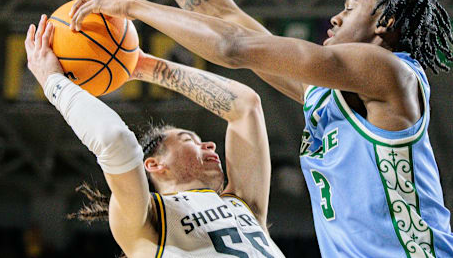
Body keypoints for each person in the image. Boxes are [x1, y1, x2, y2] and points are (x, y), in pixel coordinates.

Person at [63, 0, 453, 258]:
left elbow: (233, 46)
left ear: (384, 22)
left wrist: (130, 5)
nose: (337, 18)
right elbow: (226, 16)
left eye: (350, 7)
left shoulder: (390, 74)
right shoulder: (329, 96)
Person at [24, 15, 284, 257]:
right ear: (154, 164)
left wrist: (143, 65)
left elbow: (245, 105)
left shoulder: (242, 203)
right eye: (187, 139)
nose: (209, 143)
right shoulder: (147, 219)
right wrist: (53, 82)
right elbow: (115, 140)